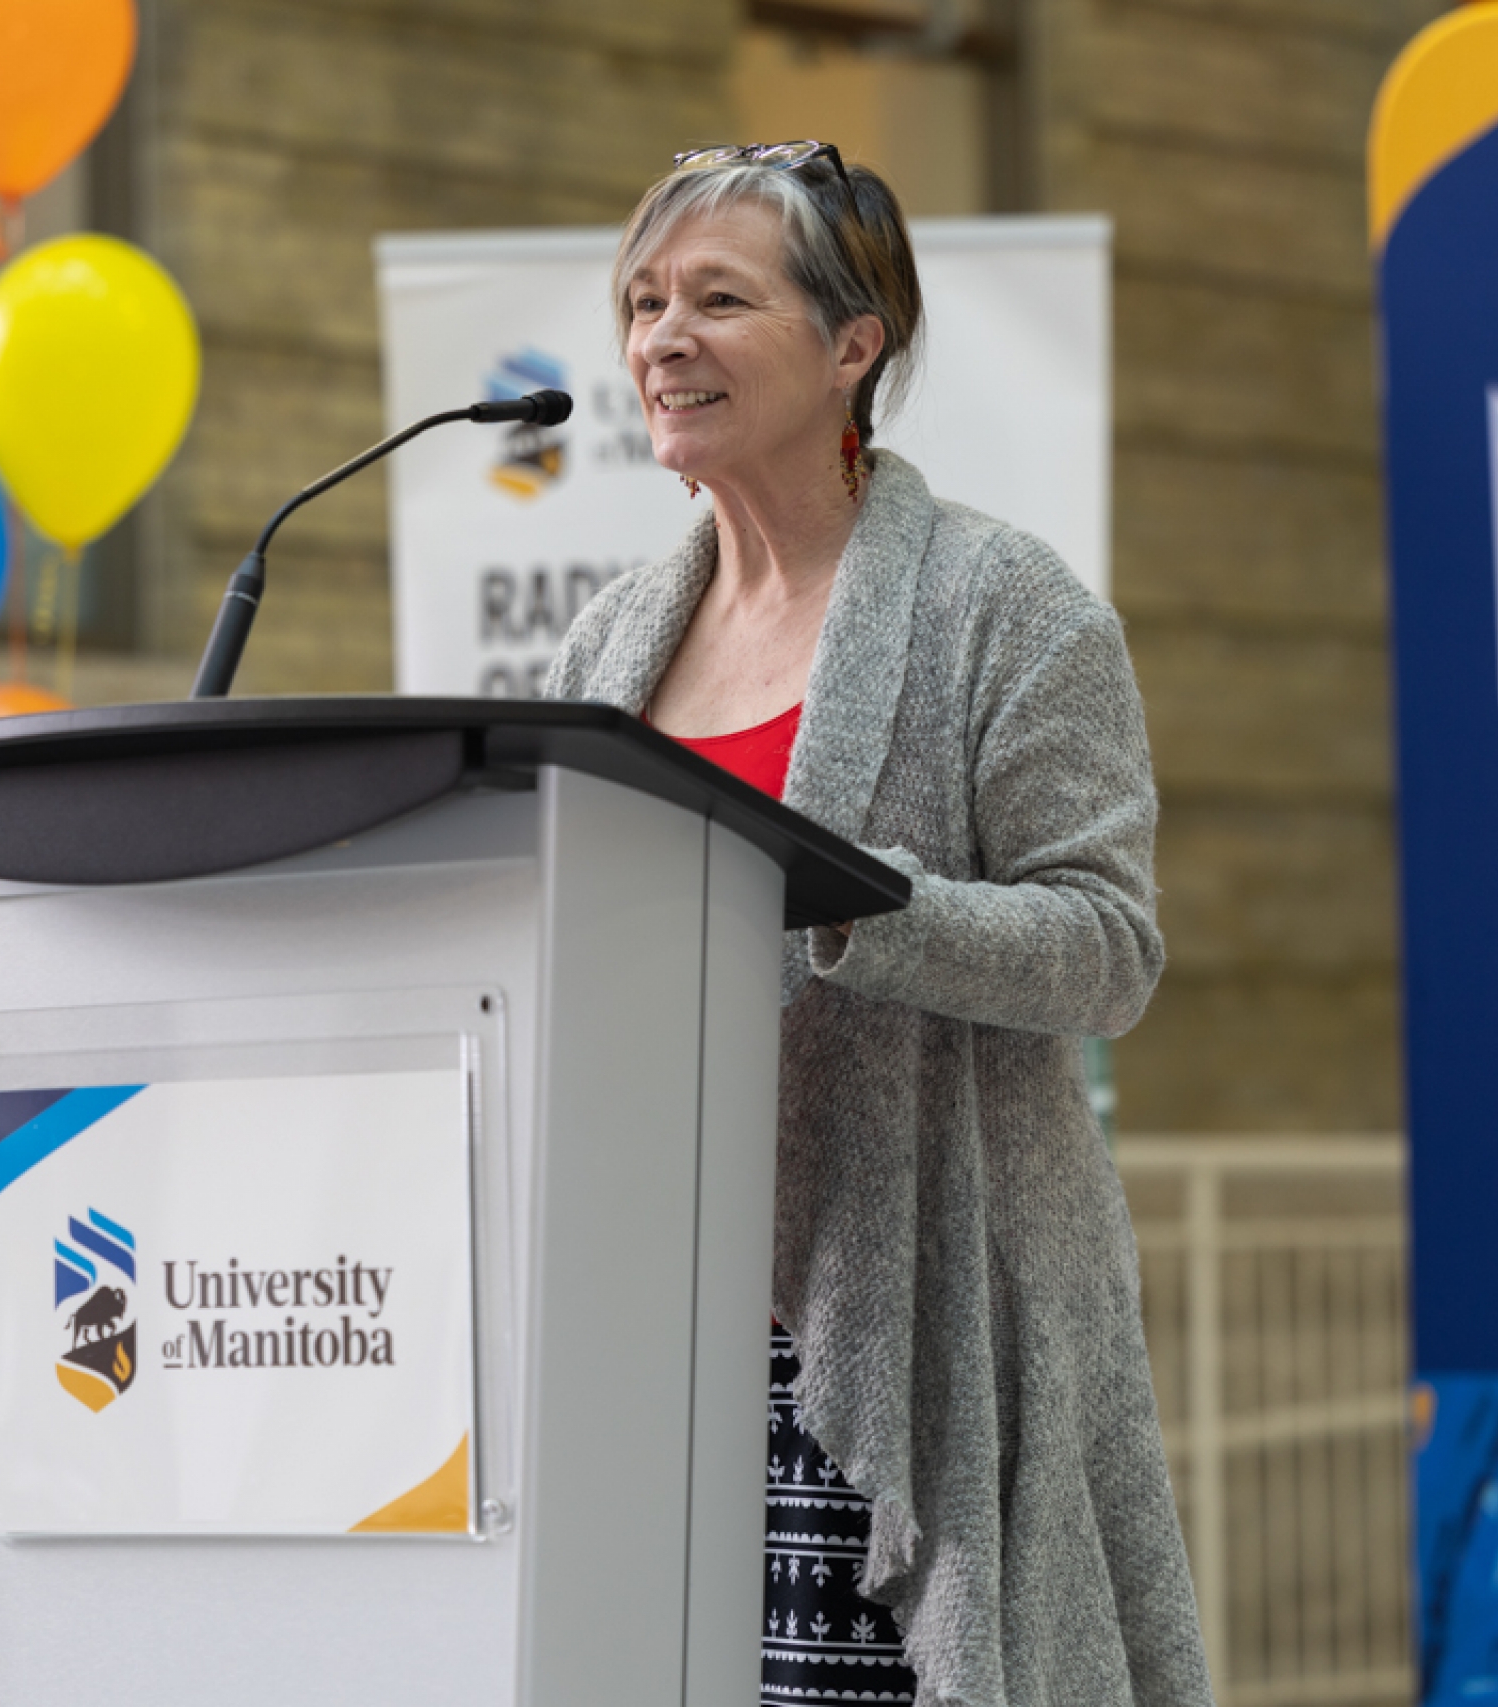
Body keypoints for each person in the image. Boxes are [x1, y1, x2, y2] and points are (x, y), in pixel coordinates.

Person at [546, 143, 1213, 1706]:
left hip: (919, 1319)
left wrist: (861, 904)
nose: (662, 339)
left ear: (856, 342)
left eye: (718, 299)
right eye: (643, 302)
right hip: (658, 1314)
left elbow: (1108, 946)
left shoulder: (1007, 606)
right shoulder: (605, 644)